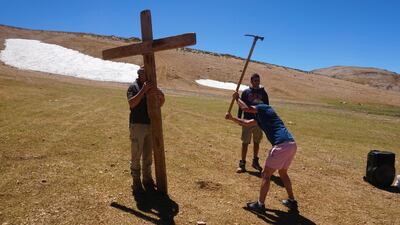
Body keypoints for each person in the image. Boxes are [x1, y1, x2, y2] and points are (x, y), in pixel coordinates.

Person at [225, 92, 298, 213]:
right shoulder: (260, 119)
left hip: (281, 145)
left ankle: (260, 205)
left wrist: (237, 98)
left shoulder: (265, 107)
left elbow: (246, 109)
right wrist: (232, 118)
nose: (255, 106)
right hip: (291, 144)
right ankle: (292, 200)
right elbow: (246, 123)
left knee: (266, 174)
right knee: (283, 173)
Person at [127, 65, 165, 196]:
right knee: (136, 155)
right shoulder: (134, 87)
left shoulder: (151, 87)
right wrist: (143, 90)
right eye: (145, 73)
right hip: (137, 125)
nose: (148, 76)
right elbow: (131, 104)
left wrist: (161, 96)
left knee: (148, 155)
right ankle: (136, 181)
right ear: (140, 74)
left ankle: (147, 179)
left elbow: (159, 105)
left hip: (150, 125)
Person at [237, 73, 269, 173]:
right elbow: (241, 106)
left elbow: (267, 107)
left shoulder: (263, 93)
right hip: (247, 120)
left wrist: (265, 120)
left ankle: (255, 161)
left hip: (259, 121)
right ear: (251, 81)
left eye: (258, 80)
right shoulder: (246, 92)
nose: (257, 82)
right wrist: (239, 118)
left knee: (257, 142)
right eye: (255, 80)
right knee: (245, 142)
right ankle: (242, 164)